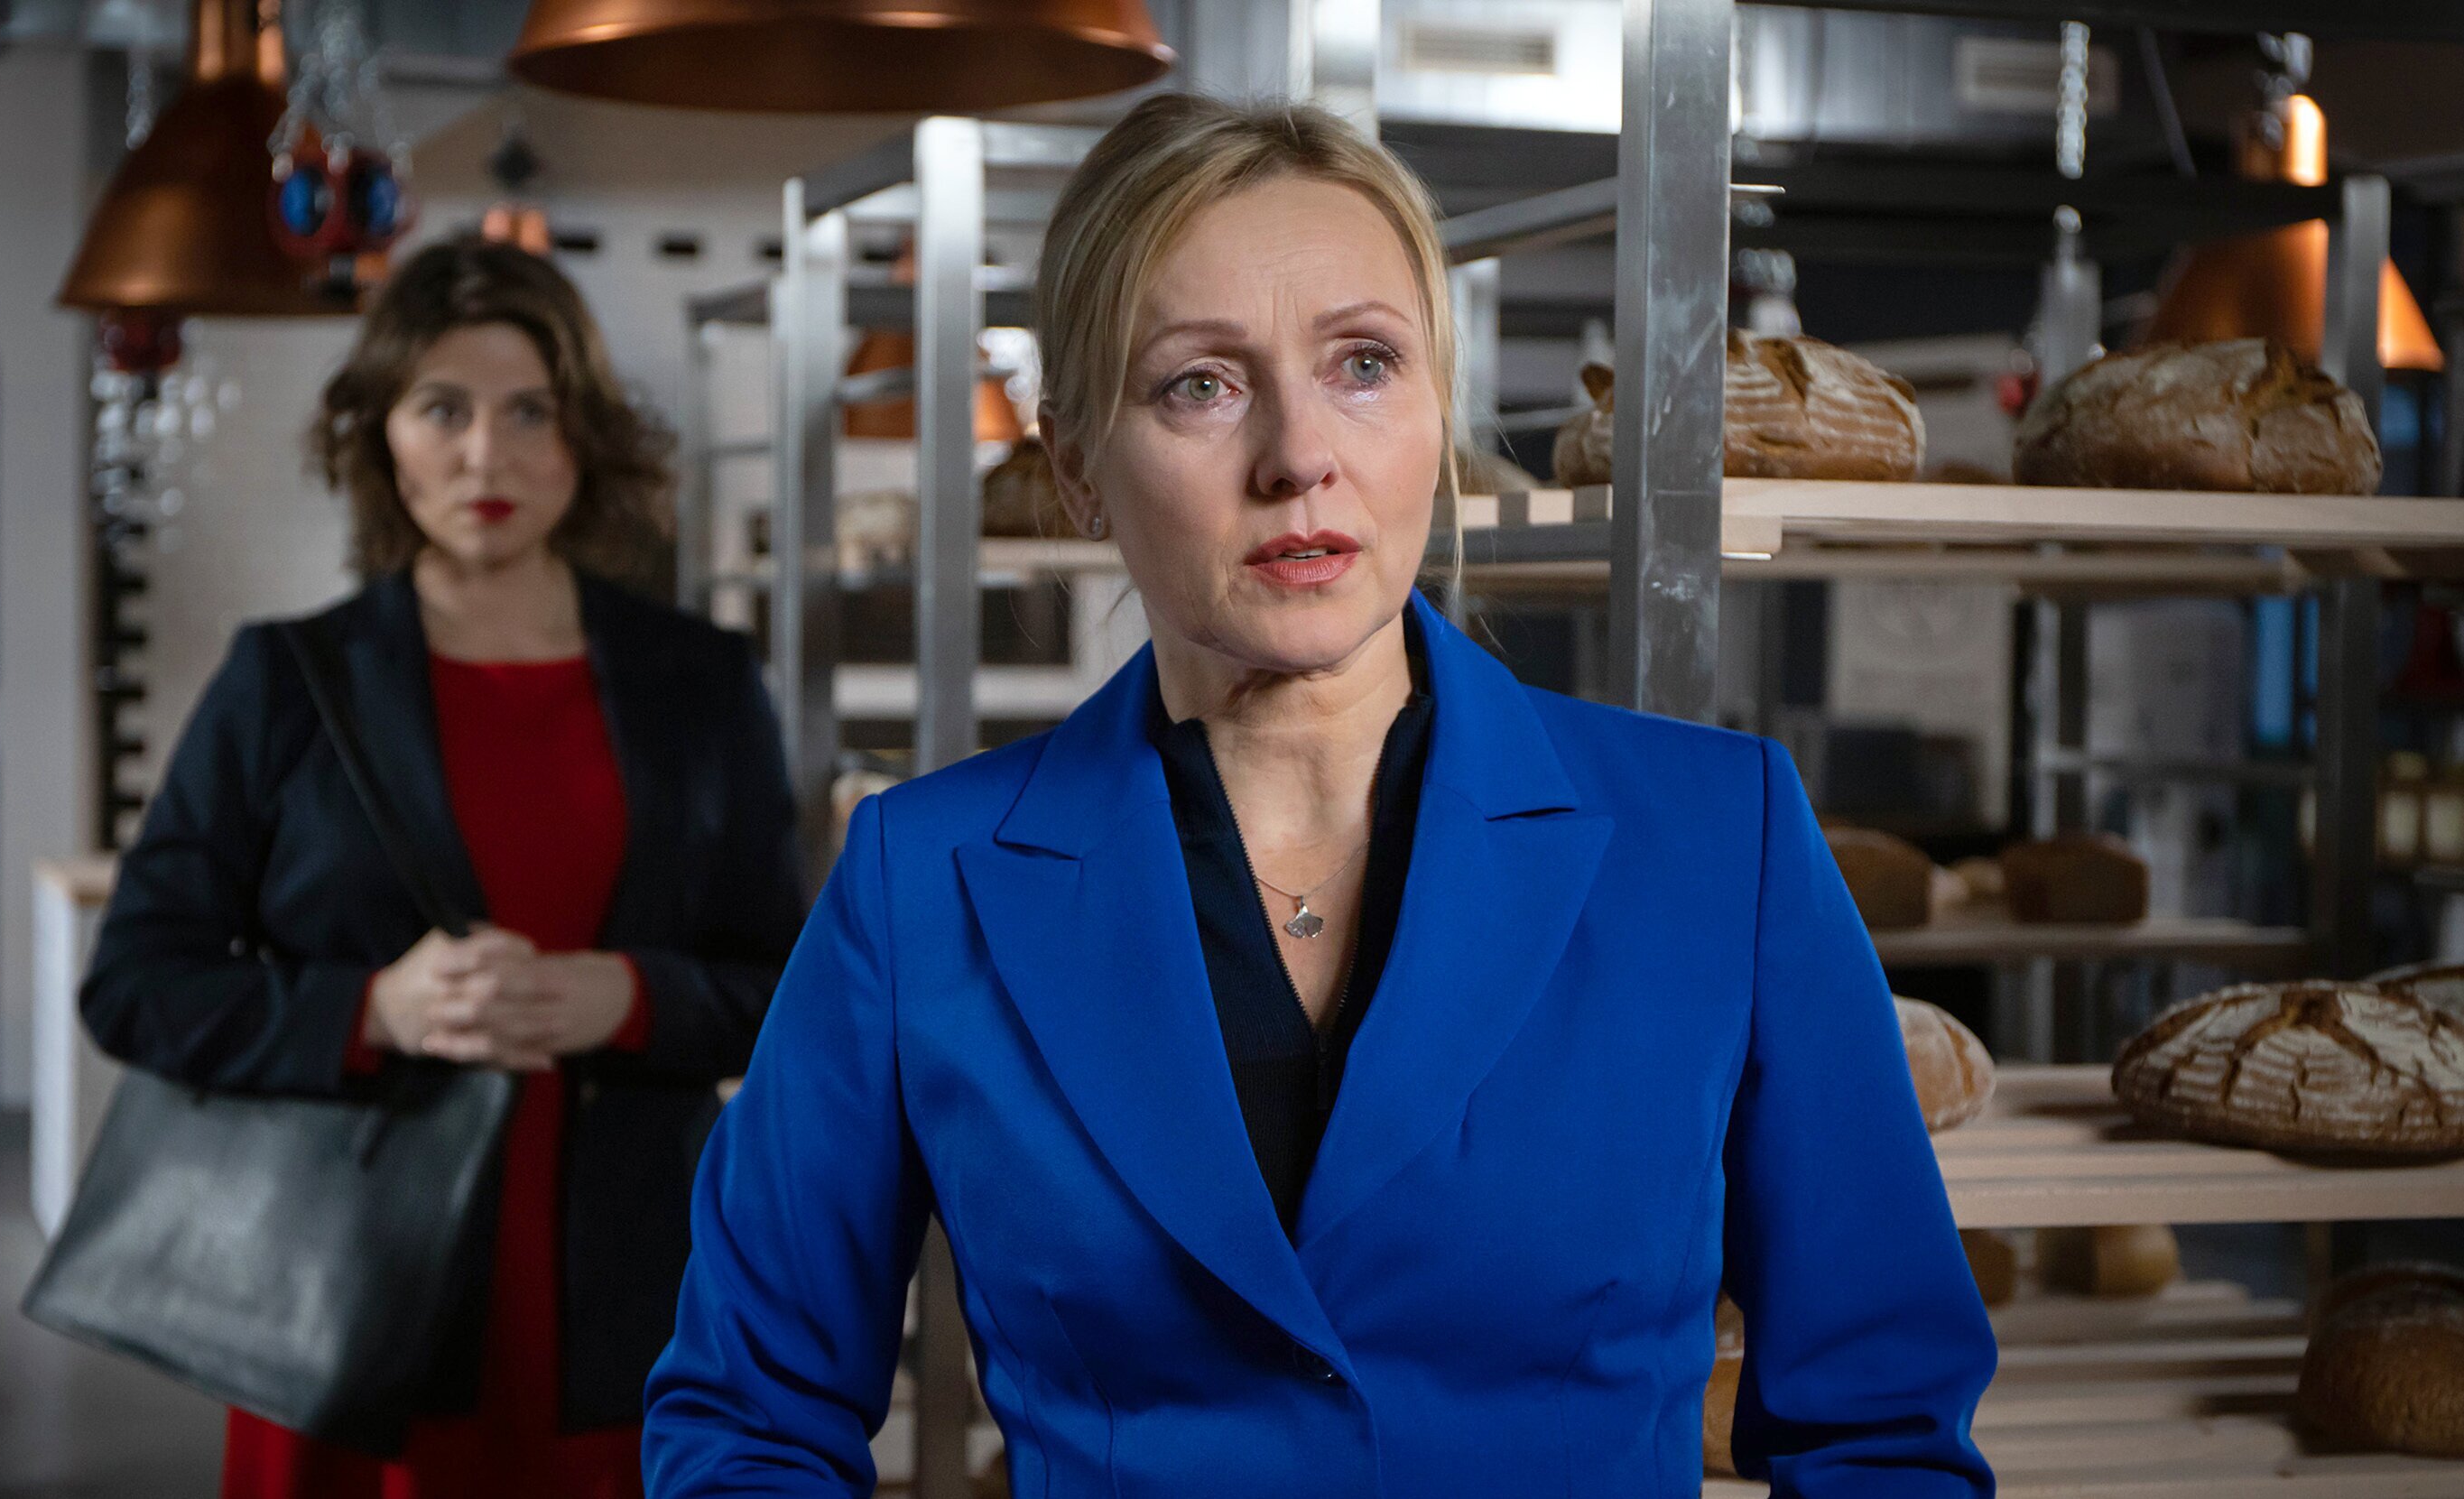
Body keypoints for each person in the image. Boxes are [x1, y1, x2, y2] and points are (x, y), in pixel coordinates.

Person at [644, 94, 1999, 1495]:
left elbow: (1880, 1427)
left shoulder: (1720, 840)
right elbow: (747, 1422)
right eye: (1200, 384)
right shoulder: (920, 882)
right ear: (1077, 468)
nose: (1299, 455)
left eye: (1363, 363)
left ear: (1434, 411)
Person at [80, 236, 807, 1499]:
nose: (486, 457)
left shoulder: (701, 683)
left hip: (623, 1303)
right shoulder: (284, 681)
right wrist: (373, 1009)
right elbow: (136, 983)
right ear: (380, 435)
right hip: (348, 1302)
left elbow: (789, 992)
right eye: (443, 409)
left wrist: (631, 998)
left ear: (584, 436)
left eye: (530, 411)